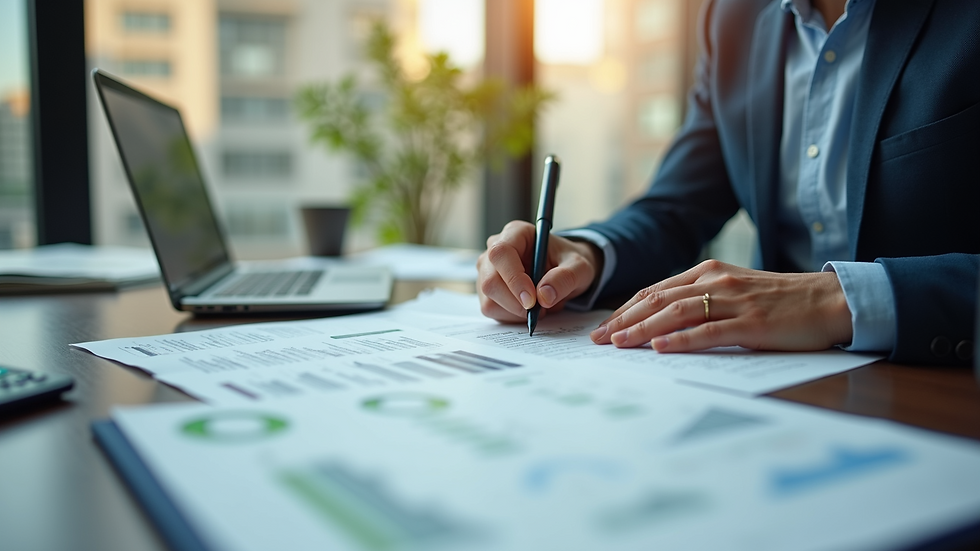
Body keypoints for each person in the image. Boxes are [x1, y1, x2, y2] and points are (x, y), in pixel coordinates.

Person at [477, 0, 979, 366]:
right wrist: (585, 255)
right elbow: (675, 208)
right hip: (776, 384)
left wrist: (838, 300)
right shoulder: (733, 16)